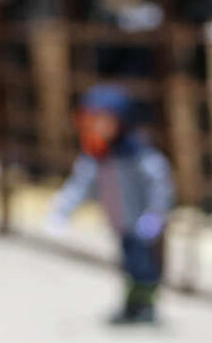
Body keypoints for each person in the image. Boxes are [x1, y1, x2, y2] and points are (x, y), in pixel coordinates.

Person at [45, 85, 174, 324]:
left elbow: (159, 185)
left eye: (104, 121)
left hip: (140, 223)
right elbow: (81, 185)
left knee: (143, 266)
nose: (97, 127)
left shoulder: (140, 156)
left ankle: (144, 305)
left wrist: (156, 214)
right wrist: (62, 210)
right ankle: (131, 304)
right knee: (127, 264)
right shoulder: (97, 155)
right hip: (120, 222)